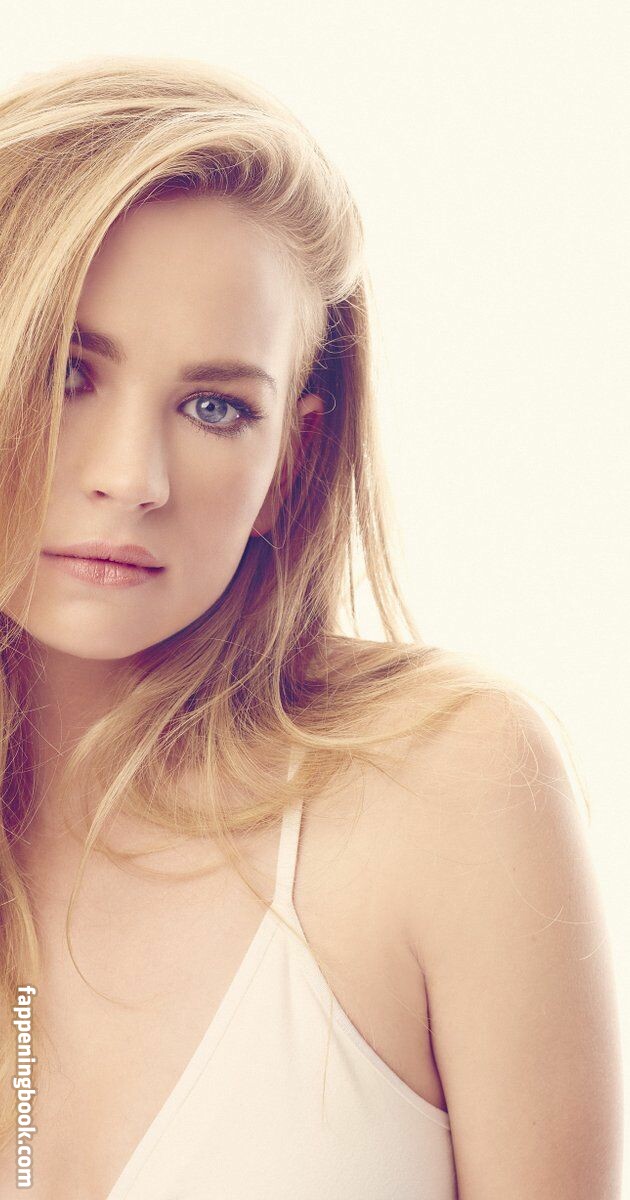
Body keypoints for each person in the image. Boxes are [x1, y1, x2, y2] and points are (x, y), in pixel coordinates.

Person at [0, 54, 622, 1200]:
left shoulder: (447, 790)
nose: (130, 477)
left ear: (290, 459)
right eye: (63, 372)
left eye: (214, 407)